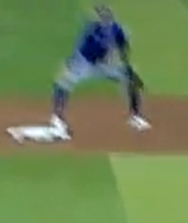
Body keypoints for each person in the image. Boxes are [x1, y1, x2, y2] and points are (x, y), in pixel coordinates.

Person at [50, 4, 149, 139]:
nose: (102, 19)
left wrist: (127, 67)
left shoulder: (117, 30)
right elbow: (80, 46)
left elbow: (123, 49)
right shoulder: (92, 29)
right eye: (101, 16)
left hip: (102, 65)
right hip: (83, 62)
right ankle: (57, 118)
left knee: (130, 78)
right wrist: (72, 60)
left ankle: (136, 117)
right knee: (62, 83)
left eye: (104, 16)